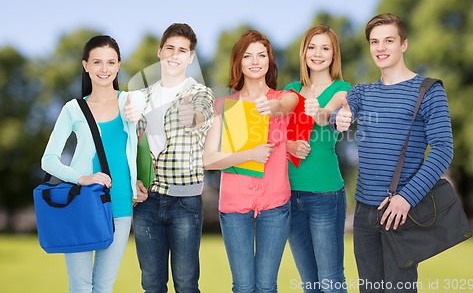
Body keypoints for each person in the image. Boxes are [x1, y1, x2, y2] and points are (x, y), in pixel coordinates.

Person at [331, 13, 454, 293]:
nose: (380, 48)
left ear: (404, 44)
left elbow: (444, 149)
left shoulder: (428, 91)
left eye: (388, 40)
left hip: (402, 213)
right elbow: (339, 116)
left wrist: (406, 198)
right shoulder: (363, 93)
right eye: (374, 42)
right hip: (364, 214)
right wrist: (339, 118)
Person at [41, 35, 145, 293]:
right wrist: (82, 178)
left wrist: (138, 181)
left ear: (119, 65)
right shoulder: (73, 109)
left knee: (104, 286)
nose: (104, 69)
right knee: (81, 285)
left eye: (110, 62)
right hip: (82, 204)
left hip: (121, 205)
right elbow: (49, 159)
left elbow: (139, 149)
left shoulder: (131, 102)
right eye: (97, 62)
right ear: (86, 65)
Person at [203, 30, 298, 293]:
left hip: (275, 202)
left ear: (270, 60)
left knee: (266, 286)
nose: (255, 61)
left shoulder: (282, 99)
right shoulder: (223, 105)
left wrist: (275, 107)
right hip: (234, 204)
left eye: (261, 55)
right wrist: (249, 155)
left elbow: (291, 102)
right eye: (248, 55)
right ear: (239, 62)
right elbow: (208, 160)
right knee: (243, 286)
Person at [132, 23, 215, 293]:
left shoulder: (199, 93)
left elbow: (202, 115)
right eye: (170, 48)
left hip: (185, 202)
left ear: (190, 57)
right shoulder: (141, 97)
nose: (175, 55)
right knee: (152, 285)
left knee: (186, 285)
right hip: (146, 202)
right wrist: (133, 181)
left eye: (182, 50)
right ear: (159, 52)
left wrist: (193, 117)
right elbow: (131, 147)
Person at [285, 25, 350, 293]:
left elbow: (329, 117)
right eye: (312, 47)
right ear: (304, 52)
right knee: (309, 284)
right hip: (289, 194)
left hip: (325, 194)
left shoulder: (343, 89)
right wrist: (289, 144)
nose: (318, 53)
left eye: (325, 48)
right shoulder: (290, 90)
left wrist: (318, 111)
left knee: (331, 282)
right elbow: (274, 136)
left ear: (334, 55)